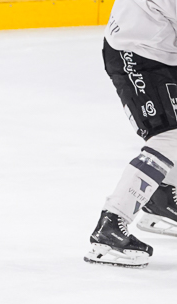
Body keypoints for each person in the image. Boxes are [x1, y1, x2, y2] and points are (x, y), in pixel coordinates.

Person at [85, 1, 177, 268]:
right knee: (169, 137)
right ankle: (111, 227)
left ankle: (162, 200)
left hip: (157, 48)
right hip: (136, 53)